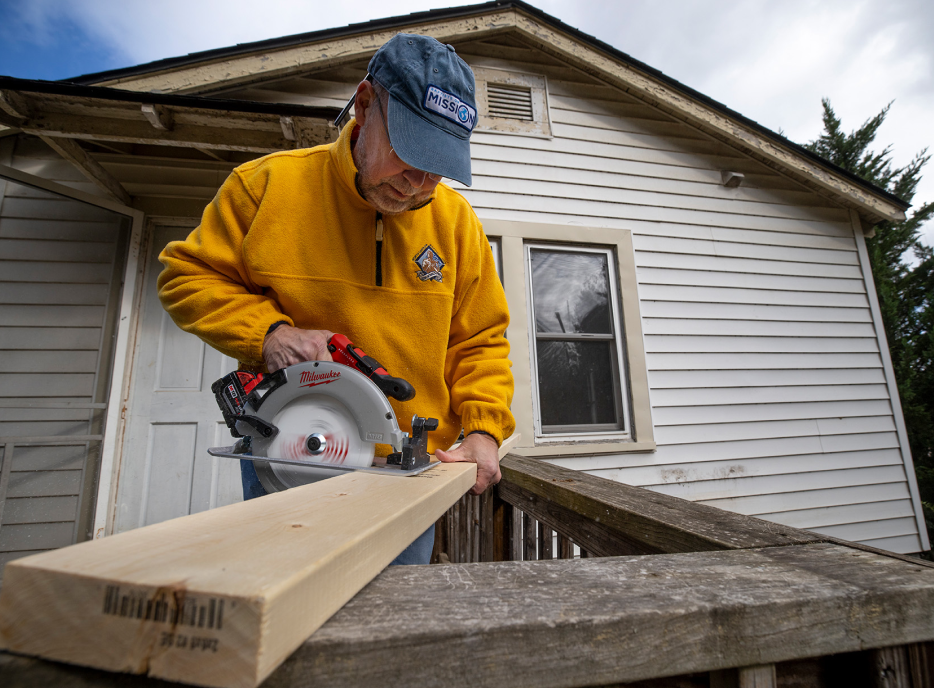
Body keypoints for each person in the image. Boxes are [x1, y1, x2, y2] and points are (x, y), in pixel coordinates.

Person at [157, 33, 515, 565]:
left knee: (387, 619)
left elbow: (480, 341)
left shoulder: (456, 226)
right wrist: (270, 334)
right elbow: (185, 277)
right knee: (282, 600)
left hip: (406, 470)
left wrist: (485, 429)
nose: (417, 183)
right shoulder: (266, 187)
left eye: (436, 166)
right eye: (408, 152)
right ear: (366, 105)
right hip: (291, 453)